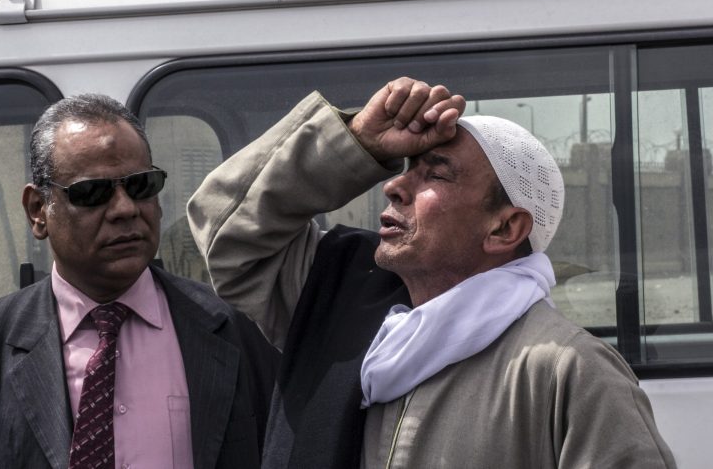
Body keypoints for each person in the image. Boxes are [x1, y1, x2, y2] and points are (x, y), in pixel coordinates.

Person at [187, 77, 676, 468]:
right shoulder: (341, 304)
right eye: (404, 167)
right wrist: (356, 143)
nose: (395, 185)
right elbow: (230, 237)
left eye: (435, 174)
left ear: (505, 229)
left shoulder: (564, 369)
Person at [0, 94, 277, 469]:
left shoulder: (236, 328)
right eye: (93, 193)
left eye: (141, 186)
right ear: (38, 211)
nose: (125, 209)